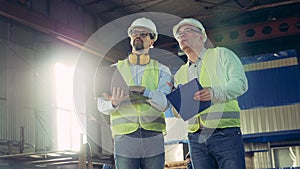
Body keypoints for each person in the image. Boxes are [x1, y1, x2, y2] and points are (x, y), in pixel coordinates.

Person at [172, 18, 248, 169]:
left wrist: (214, 92)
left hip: (225, 134)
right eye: (179, 34)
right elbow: (179, 113)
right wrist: (176, 102)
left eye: (187, 31)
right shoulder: (180, 73)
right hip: (195, 139)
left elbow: (241, 83)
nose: (182, 35)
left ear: (202, 36)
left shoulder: (222, 55)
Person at [97, 17, 172, 169]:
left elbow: (164, 103)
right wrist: (113, 103)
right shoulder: (113, 70)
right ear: (130, 38)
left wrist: (144, 91)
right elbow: (100, 104)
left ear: (152, 41)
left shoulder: (163, 70)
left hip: (153, 135)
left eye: (144, 34)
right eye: (135, 33)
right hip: (125, 136)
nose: (138, 36)